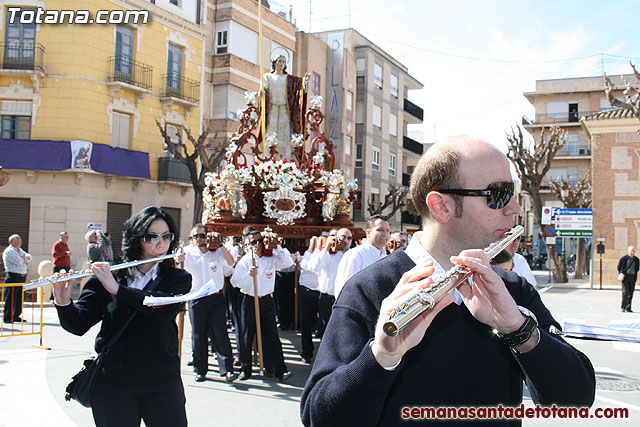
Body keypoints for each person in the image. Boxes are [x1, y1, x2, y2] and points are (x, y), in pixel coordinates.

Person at [300, 137, 595, 426]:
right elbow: (319, 417)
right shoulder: (370, 289)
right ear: (441, 206)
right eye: (499, 194)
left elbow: (574, 400)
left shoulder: (513, 290)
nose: (514, 208)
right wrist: (381, 356)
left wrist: (519, 330)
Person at [52, 206, 191, 426]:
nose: (161, 243)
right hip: (114, 382)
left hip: (161, 381)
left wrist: (118, 290)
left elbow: (162, 309)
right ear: (136, 239)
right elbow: (78, 325)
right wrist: (63, 301)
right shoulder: (110, 274)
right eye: (151, 237)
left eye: (166, 236)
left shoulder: (178, 278)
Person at [175, 224, 238, 383]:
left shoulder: (216, 251)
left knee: (220, 333)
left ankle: (227, 369)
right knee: (198, 334)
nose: (199, 239)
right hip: (196, 297)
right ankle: (200, 369)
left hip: (215, 295)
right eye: (195, 236)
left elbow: (230, 263)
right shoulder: (188, 251)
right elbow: (176, 268)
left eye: (202, 236)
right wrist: (178, 260)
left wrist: (221, 245)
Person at [231, 229, 293, 381]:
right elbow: (234, 282)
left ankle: (277, 368)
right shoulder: (246, 261)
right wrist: (248, 275)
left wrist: (277, 246)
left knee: (271, 335)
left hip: (266, 300)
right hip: (249, 299)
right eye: (253, 242)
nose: (257, 245)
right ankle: (246, 369)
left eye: (259, 241)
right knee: (246, 335)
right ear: (247, 244)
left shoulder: (271, 258)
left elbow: (288, 262)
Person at [307, 228, 353, 338]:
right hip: (328, 299)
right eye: (343, 237)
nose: (346, 240)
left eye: (349, 238)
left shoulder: (354, 255)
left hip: (346, 299)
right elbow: (314, 267)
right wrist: (326, 247)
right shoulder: (329, 254)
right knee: (326, 333)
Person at [261, 54, 309, 158]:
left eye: (283, 61)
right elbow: (264, 89)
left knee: (285, 134)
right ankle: (268, 158)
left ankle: (285, 159)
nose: (281, 64)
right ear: (274, 63)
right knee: (271, 132)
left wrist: (304, 82)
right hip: (272, 109)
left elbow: (299, 87)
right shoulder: (268, 77)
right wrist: (262, 92)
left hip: (284, 110)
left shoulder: (289, 79)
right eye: (279, 61)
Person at [333, 217, 389, 298]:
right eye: (380, 230)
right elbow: (343, 291)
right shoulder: (355, 255)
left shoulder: (386, 257)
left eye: (387, 230)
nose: (385, 234)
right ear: (368, 233)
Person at [297, 238, 321, 364]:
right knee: (306, 324)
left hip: (323, 292)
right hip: (307, 291)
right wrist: (313, 247)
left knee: (324, 325)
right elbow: (308, 266)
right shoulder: (309, 254)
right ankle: (307, 352)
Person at [3, 234, 31, 323]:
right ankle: (8, 317)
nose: (20, 242)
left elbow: (29, 257)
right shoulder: (9, 251)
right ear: (12, 242)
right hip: (13, 276)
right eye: (18, 241)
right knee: (11, 297)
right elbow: (19, 262)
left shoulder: (19, 250)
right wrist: (24, 258)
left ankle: (16, 315)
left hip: (21, 277)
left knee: (19, 297)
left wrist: (24, 258)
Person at [617, 246, 639, 313]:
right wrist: (622, 272)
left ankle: (628, 307)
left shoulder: (636, 260)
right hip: (625, 277)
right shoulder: (623, 259)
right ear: (628, 251)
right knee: (625, 292)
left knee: (630, 292)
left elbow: (637, 268)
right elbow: (619, 267)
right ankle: (623, 307)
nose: (633, 253)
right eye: (631, 251)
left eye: (634, 251)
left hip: (632, 277)